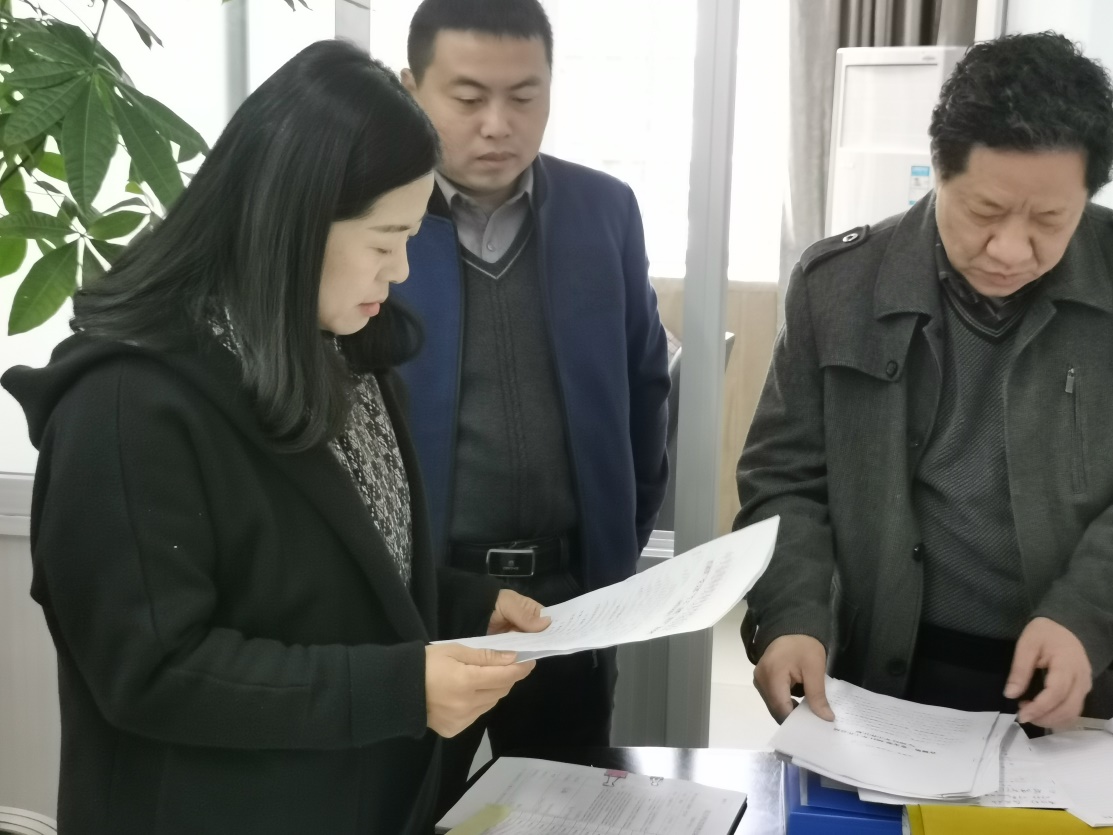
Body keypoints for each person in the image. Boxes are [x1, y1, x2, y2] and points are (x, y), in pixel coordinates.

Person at [1, 40, 551, 835]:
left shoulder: (341, 355)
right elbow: (154, 669)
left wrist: (467, 605)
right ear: (293, 225)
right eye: (383, 240)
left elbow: (331, 574)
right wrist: (399, 687)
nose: (399, 269)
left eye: (410, 237)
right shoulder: (125, 404)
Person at [736, 32, 1113, 730]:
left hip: (1082, 683)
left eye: (1049, 220)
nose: (1009, 249)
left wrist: (1087, 615)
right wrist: (792, 615)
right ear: (936, 170)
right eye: (984, 212)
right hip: (880, 673)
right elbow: (784, 481)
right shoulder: (836, 287)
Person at [392, 0, 670, 811]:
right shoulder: (372, 220)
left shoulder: (604, 211)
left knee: (567, 812)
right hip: (420, 602)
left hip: (567, 605)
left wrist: (608, 550)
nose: (498, 124)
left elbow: (644, 388)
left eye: (524, 96)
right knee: (404, 808)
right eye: (467, 96)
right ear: (411, 89)